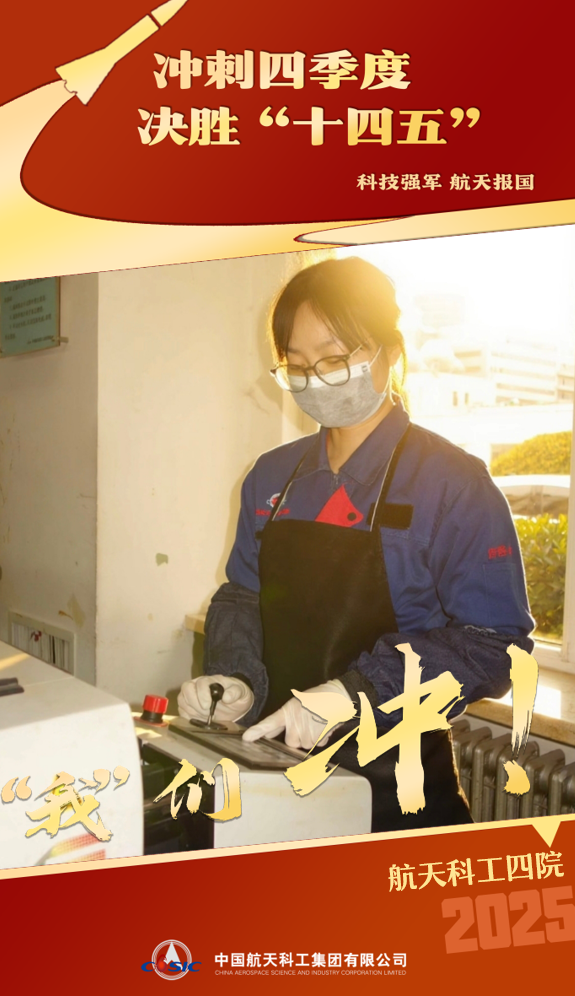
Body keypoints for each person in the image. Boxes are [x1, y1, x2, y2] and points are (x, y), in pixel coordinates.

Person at [177, 257, 535, 831]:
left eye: (335, 358)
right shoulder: (272, 476)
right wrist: (236, 678)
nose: (315, 378)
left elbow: (495, 645)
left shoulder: (451, 483)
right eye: (297, 365)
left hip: (395, 789)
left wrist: (355, 694)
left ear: (389, 350)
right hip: (275, 765)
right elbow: (243, 595)